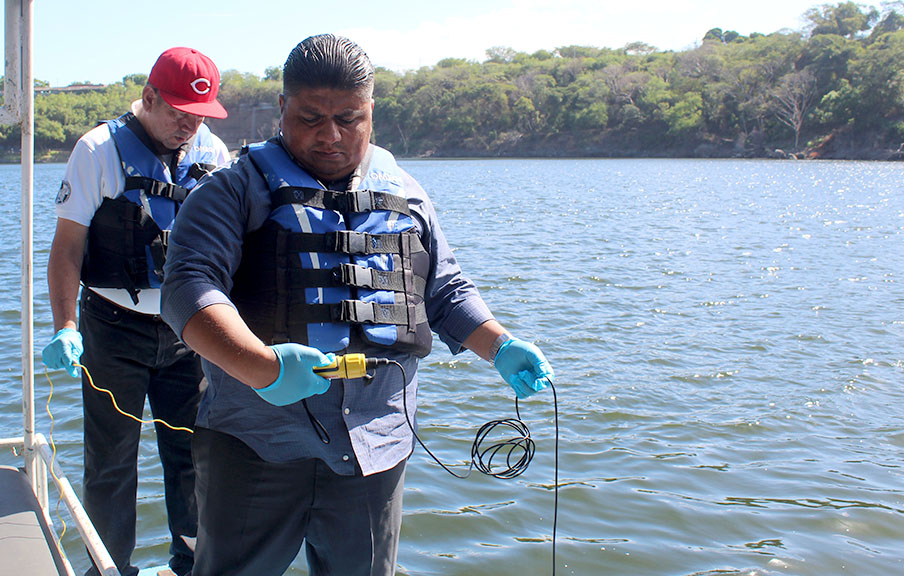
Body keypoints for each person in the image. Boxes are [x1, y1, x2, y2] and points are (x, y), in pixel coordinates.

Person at [160, 34, 553, 576]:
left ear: (371, 112)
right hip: (256, 441)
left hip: (376, 444)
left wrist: (500, 344)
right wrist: (262, 367)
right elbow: (186, 288)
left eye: (349, 118)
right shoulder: (231, 192)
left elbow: (444, 291)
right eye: (311, 117)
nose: (331, 135)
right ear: (281, 109)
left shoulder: (408, 194)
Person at [41, 46, 231, 576]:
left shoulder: (212, 152)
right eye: (178, 113)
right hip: (112, 328)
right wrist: (65, 327)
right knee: (111, 464)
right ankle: (109, 568)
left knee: (194, 457)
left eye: (199, 115)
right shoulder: (97, 150)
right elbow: (67, 248)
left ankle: (191, 564)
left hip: (190, 328)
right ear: (148, 97)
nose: (188, 126)